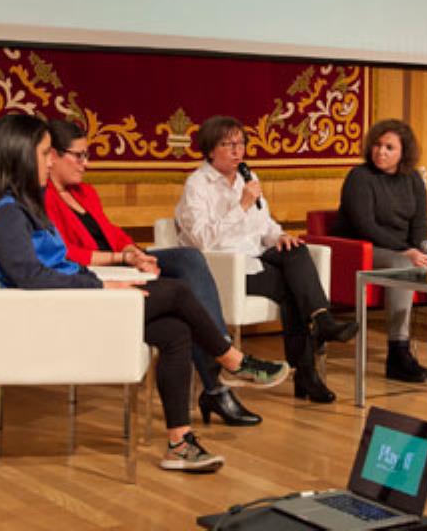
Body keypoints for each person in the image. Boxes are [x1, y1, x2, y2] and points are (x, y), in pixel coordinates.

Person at [0, 114, 285, 473]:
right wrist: (102, 284)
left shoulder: (23, 207)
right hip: (62, 310)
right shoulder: (7, 214)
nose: (49, 161)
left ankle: (179, 443)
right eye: (45, 154)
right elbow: (32, 276)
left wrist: (123, 262)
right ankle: (232, 359)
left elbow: (61, 261)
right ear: (18, 155)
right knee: (178, 292)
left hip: (76, 296)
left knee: (176, 332)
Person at [43, 119, 267, 427]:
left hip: (120, 260)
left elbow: (111, 231)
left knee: (188, 259)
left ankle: (221, 354)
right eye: (79, 155)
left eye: (87, 154)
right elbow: (64, 253)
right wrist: (120, 257)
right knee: (181, 298)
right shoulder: (41, 198)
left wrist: (135, 252)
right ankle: (222, 365)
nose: (86, 163)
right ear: (52, 156)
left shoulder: (84, 192)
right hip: (94, 270)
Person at [175, 116, 357, 404]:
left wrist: (280, 236)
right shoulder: (197, 185)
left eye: (241, 144)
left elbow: (264, 225)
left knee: (296, 249)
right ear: (210, 150)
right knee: (292, 289)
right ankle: (308, 368)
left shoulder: (249, 177)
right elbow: (202, 240)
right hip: (224, 267)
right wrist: (242, 205)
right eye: (228, 145)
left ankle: (321, 319)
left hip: (256, 255)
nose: (238, 151)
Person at [331, 119, 427, 383]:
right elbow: (364, 225)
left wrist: (422, 248)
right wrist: (406, 251)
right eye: (378, 145)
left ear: (404, 152)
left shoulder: (413, 179)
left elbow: (420, 223)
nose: (381, 152)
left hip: (404, 248)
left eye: (389, 147)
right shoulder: (360, 177)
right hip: (363, 249)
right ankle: (398, 352)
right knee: (403, 266)